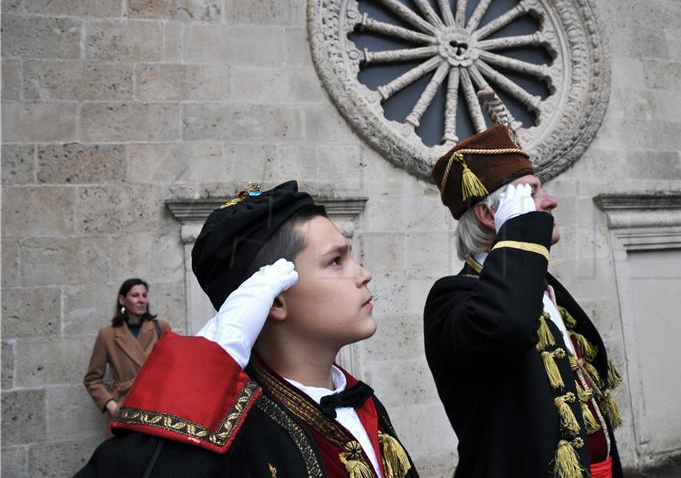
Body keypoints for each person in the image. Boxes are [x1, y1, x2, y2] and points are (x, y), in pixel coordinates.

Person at [76, 181, 417, 478]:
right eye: (335, 261)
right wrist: (213, 359)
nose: (363, 273)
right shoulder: (239, 435)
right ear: (275, 299)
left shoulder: (363, 401)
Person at [424, 125, 624, 478]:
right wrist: (518, 234)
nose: (550, 201)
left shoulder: (541, 283)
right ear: (491, 216)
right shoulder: (453, 298)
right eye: (531, 193)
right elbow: (508, 325)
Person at [83, 278, 171, 419]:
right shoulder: (108, 335)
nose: (141, 300)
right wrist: (111, 405)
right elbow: (92, 379)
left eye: (144, 295)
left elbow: (173, 367)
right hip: (126, 406)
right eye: (135, 296)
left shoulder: (161, 328)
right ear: (122, 300)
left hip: (158, 404)